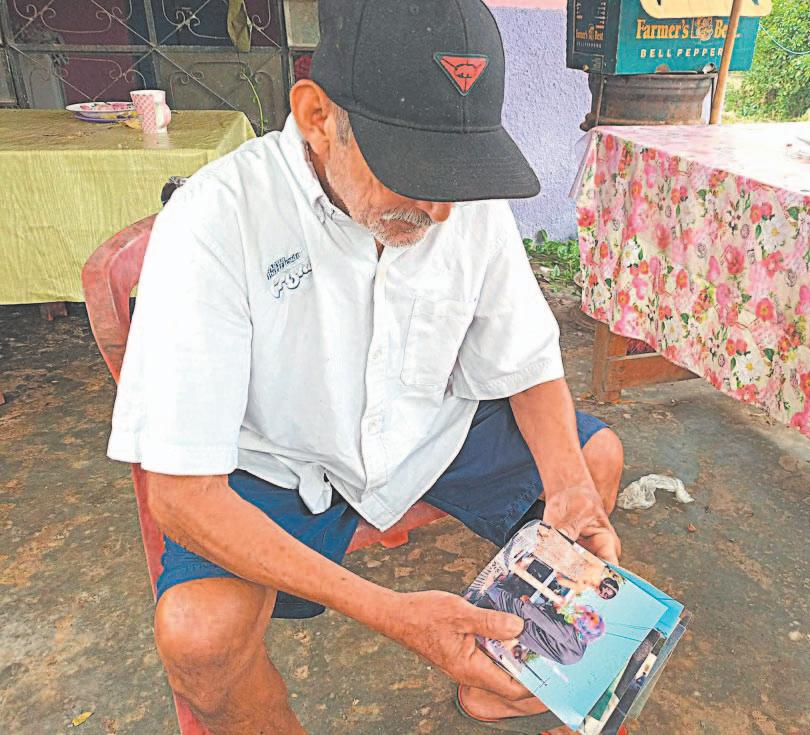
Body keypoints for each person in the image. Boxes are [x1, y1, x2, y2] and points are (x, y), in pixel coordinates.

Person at [107, 1, 623, 733]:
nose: (439, 209)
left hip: (425, 434)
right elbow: (182, 494)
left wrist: (569, 491)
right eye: (412, 168)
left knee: (593, 460)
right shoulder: (215, 219)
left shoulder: (456, 201)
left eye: (455, 173)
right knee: (200, 638)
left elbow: (525, 358)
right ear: (317, 116)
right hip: (281, 462)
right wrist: (392, 613)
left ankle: (505, 676)